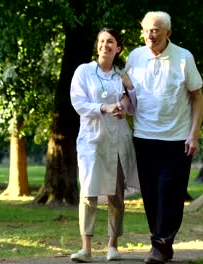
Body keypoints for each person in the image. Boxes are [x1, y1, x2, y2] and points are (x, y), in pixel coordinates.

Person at [124, 11, 203, 264]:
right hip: (144, 136)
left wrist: (193, 134)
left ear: (168, 32)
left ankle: (160, 245)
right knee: (150, 193)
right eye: (147, 29)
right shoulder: (135, 57)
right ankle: (161, 242)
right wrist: (119, 103)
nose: (151, 34)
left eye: (156, 29)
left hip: (177, 138)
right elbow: (127, 90)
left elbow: (197, 97)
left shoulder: (183, 57)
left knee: (169, 191)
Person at [70, 28, 140, 262]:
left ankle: (113, 245)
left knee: (116, 194)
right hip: (92, 140)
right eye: (101, 41)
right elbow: (78, 103)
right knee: (88, 193)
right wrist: (104, 107)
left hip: (118, 140)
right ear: (97, 45)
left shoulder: (122, 75)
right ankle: (86, 248)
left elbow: (133, 107)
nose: (105, 45)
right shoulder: (84, 71)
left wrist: (126, 97)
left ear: (118, 48)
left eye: (110, 42)